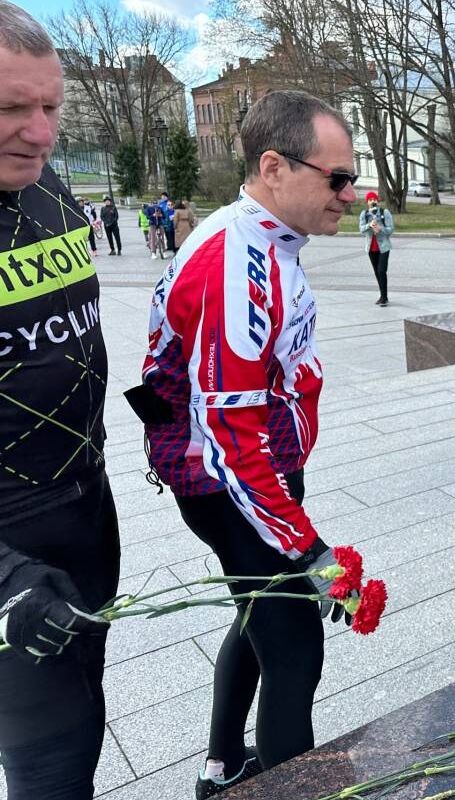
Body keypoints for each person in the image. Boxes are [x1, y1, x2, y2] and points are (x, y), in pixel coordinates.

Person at [131, 90, 361, 798]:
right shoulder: (236, 263)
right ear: (273, 166)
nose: (349, 196)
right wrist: (311, 550)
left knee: (257, 616)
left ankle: (221, 767)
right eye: (337, 178)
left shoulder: (262, 238)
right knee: (296, 650)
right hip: (228, 482)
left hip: (247, 473)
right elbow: (232, 441)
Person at [0, 4, 120, 798]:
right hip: (10, 543)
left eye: (51, 108)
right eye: (11, 108)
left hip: (87, 512)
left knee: (84, 718)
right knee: (52, 761)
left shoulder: (54, 188)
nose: (41, 134)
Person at [358, 190, 393, 306]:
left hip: (383, 247)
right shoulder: (365, 214)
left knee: (382, 270)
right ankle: (382, 295)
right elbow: (362, 229)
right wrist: (370, 225)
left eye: (374, 199)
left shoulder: (384, 212)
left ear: (377, 201)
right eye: (370, 200)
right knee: (377, 273)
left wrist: (380, 227)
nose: (372, 201)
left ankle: (384, 298)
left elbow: (390, 230)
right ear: (367, 202)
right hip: (371, 248)